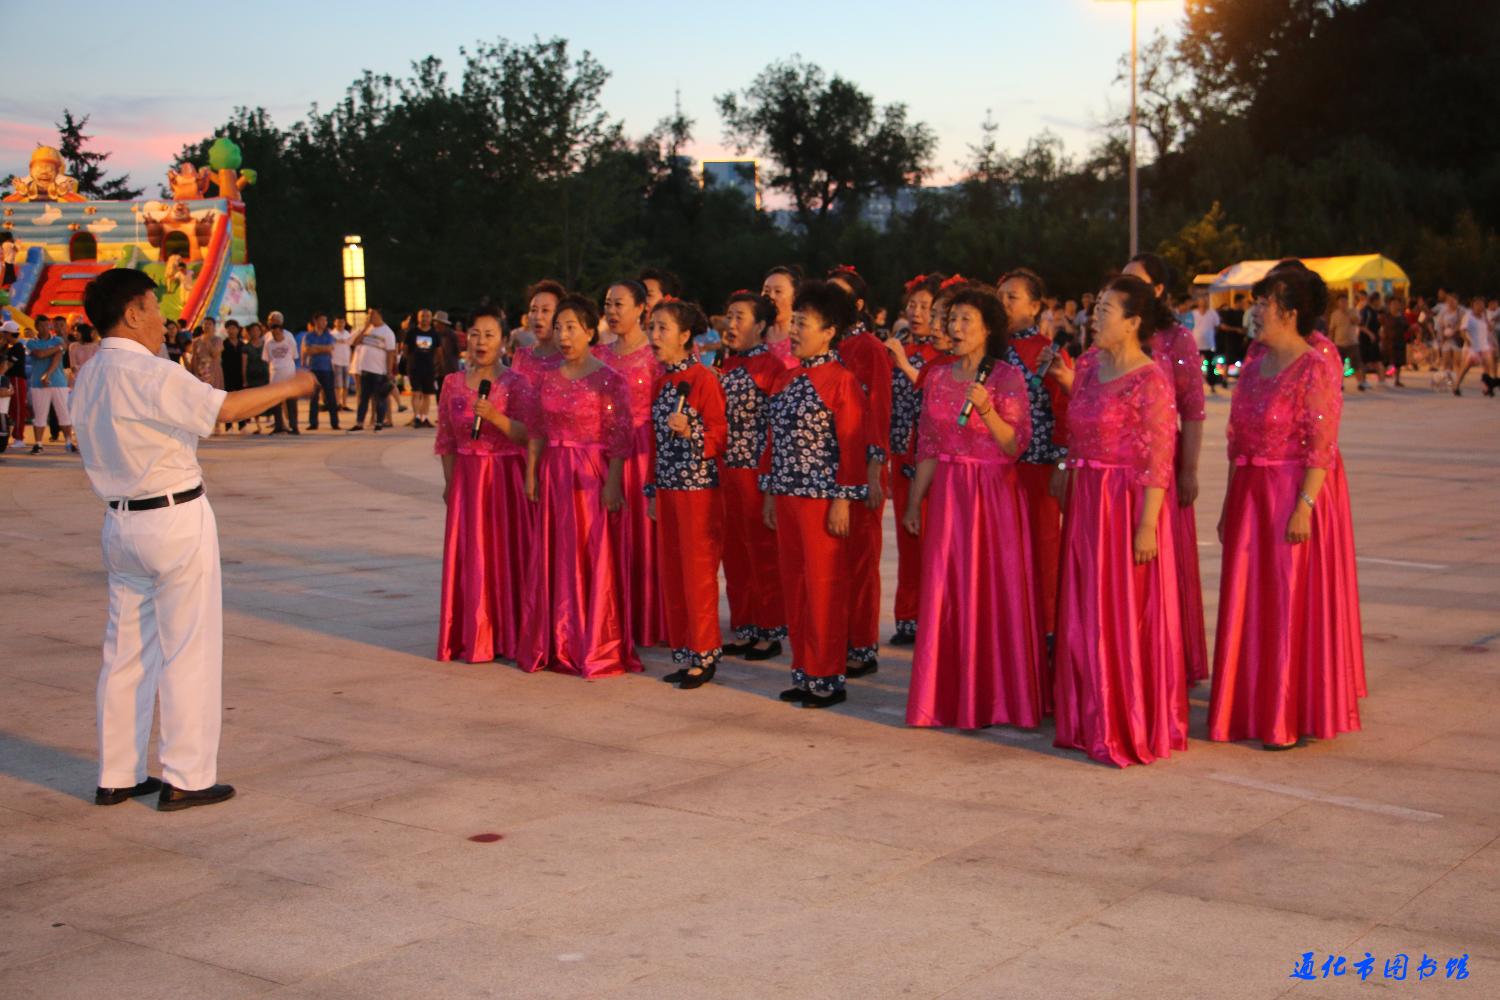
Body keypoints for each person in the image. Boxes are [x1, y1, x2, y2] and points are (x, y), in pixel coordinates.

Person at [72, 268, 314, 811]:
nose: (162, 319)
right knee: (188, 648)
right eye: (154, 307)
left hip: (120, 522)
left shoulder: (88, 375)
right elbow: (222, 409)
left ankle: (117, 774)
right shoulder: (150, 371)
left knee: (124, 652)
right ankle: (187, 775)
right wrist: (292, 386)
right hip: (173, 518)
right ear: (131, 313)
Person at [1208, 262, 1365, 750]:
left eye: (1264, 303)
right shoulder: (1254, 362)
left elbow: (1321, 446)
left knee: (1285, 601)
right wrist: (1229, 500)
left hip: (1287, 492)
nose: (1255, 312)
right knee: (1247, 602)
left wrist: (1305, 506)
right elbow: (1236, 441)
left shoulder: (1315, 366)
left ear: (1290, 313)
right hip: (1250, 492)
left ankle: (1283, 714)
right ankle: (1244, 706)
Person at [1053, 273, 1186, 768]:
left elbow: (1158, 459)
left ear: (1132, 323)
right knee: (1085, 610)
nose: (1095, 316)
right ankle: (1087, 716)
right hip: (1087, 499)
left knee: (1123, 613)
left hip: (1125, 505)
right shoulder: (1088, 366)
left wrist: (1147, 524)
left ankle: (1125, 720)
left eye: (1105, 310)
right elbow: (1078, 431)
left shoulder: (1151, 379)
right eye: (1096, 307)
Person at [902, 285, 1043, 730]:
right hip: (949, 494)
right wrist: (914, 501)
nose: (956, 327)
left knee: (993, 592)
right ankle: (944, 696)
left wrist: (987, 410)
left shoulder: (1006, 377)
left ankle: (997, 697)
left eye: (966, 320)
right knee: (948, 592)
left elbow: (1015, 445)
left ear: (987, 330)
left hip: (993, 495)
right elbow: (929, 445)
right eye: (953, 319)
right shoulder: (938, 376)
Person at [519, 293, 641, 678]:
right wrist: (532, 472)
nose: (564, 335)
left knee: (590, 555)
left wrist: (614, 484)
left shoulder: (609, 379)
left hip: (590, 475)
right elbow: (536, 430)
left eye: (571, 327)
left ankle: (594, 641)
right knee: (555, 556)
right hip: (554, 473)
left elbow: (620, 438)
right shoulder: (546, 378)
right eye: (559, 328)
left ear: (590, 331)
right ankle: (556, 641)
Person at [761, 279, 869, 709]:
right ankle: (804, 672)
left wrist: (843, 499)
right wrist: (770, 493)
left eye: (803, 323)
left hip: (822, 502)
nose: (794, 330)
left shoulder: (841, 381)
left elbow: (852, 445)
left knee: (825, 588)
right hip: (787, 498)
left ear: (829, 331)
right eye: (795, 322)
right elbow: (772, 441)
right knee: (796, 585)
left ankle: (827, 677)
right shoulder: (787, 378)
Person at [1125, 253, 1210, 687]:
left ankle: (1167, 658)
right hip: (1117, 469)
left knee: (1162, 559)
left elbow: (1192, 410)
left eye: (1135, 281)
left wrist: (1188, 470)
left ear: (1157, 290)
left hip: (1160, 464)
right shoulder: (1114, 335)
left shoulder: (1176, 340)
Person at [434, 306, 532, 663]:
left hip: (505, 478)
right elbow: (446, 439)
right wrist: (450, 483)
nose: (481, 342)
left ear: (504, 341)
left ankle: (509, 633)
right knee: (472, 557)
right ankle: (473, 634)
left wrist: (495, 417)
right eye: (475, 334)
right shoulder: (452, 383)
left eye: (489, 335)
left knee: (506, 555)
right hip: (467, 480)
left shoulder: (516, 383)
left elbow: (527, 435)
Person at [645, 299, 728, 688]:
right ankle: (685, 651)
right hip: (668, 490)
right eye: (652, 327)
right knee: (674, 573)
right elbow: (654, 442)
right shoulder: (661, 383)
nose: (655, 335)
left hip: (698, 492)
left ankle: (705, 653)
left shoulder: (704, 379)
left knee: (698, 574)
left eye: (663, 328)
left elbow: (720, 435)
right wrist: (652, 489)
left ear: (683, 336)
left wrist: (691, 431)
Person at [716, 290, 794, 661]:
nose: (731, 325)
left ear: (761, 325)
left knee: (761, 552)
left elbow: (779, 428)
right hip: (725, 471)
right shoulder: (724, 364)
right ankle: (744, 626)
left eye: (740, 318)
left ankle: (770, 628)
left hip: (755, 472)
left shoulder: (772, 367)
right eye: (728, 316)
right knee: (733, 552)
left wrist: (771, 482)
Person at [998, 268, 1074, 646]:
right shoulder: (989, 349)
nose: (1003, 304)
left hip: (1038, 470)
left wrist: (1060, 463)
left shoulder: (1048, 353)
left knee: (1042, 551)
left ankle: (1045, 632)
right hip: (996, 471)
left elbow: (1065, 410)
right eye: (1000, 297)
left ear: (1034, 306)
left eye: (1012, 298)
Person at [594, 279, 666, 648]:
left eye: (619, 304)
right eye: (608, 303)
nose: (611, 310)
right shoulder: (597, 355)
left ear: (641, 309)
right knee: (607, 535)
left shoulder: (655, 356)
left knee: (644, 535)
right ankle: (610, 615)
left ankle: (648, 619)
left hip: (643, 452)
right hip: (603, 453)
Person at [827, 266, 891, 678]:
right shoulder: (826, 345)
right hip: (828, 468)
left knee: (861, 561)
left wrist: (873, 470)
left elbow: (880, 410)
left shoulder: (870, 348)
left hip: (862, 467)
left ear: (860, 304)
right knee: (832, 562)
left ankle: (862, 645)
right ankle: (835, 640)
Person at [882, 273, 947, 646]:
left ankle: (934, 617)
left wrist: (905, 363)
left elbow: (931, 392)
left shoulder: (945, 355)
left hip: (933, 459)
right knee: (907, 542)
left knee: (931, 543)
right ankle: (907, 617)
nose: (918, 313)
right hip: (902, 453)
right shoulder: (900, 346)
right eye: (913, 305)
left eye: (926, 307)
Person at [26, 318, 76, 454]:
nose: (45, 328)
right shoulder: (31, 342)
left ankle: (69, 442)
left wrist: (47, 374)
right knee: (40, 415)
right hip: (38, 383)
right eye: (41, 326)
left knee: (64, 413)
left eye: (47, 325)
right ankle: (38, 444)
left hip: (58, 381)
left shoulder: (57, 340)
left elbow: (58, 356)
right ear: (36, 327)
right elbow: (39, 354)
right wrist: (58, 348)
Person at [349, 308, 397, 432]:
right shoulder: (367, 329)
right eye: (369, 315)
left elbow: (390, 353)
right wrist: (365, 328)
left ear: (379, 315)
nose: (370, 317)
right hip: (364, 369)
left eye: (373, 315)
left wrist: (389, 371)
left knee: (379, 398)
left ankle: (379, 423)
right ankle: (359, 423)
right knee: (363, 398)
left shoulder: (387, 332)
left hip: (379, 371)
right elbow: (355, 342)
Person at [511, 280, 565, 383]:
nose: (538, 317)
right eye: (533, 310)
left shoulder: (570, 358)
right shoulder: (521, 356)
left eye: (545, 310)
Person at [261, 316, 302, 435]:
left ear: (282, 331)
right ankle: (279, 425)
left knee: (291, 401)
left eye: (278, 332)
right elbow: (267, 358)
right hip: (275, 374)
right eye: (273, 333)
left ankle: (294, 426)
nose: (276, 335)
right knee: (276, 401)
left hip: (289, 373)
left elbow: (294, 355)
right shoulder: (269, 342)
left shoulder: (289, 339)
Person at [301, 312, 340, 430]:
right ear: (316, 321)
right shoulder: (309, 336)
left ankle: (334, 422)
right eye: (322, 320)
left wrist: (316, 347)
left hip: (327, 369)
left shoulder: (329, 335)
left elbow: (330, 348)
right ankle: (313, 423)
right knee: (314, 397)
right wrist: (322, 348)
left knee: (330, 396)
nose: (324, 323)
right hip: (314, 369)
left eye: (325, 320)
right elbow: (308, 350)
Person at [404, 309, 440, 427]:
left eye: (427, 316)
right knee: (416, 392)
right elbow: (405, 349)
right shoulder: (412, 332)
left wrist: (436, 365)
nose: (425, 318)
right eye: (422, 316)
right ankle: (416, 417)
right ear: (418, 318)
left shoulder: (434, 334)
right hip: (414, 367)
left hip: (429, 368)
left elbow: (438, 351)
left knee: (426, 394)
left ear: (431, 318)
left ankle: (424, 417)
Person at [1456, 295, 1495, 397]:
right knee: (1466, 367)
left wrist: (1486, 317)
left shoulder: (1484, 316)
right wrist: (1467, 340)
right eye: (1478, 304)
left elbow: (1490, 329)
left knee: (1487, 367)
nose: (1480, 306)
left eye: (1482, 304)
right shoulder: (1468, 316)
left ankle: (1488, 388)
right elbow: (1462, 331)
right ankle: (1456, 385)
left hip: (1484, 346)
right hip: (1473, 347)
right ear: (1473, 305)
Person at [760, 265, 799, 364]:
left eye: (778, 291)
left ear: (794, 297)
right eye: (766, 291)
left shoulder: (801, 337)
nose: (771, 296)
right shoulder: (755, 334)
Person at [242, 322, 271, 434]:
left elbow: (270, 360)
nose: (255, 332)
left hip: (265, 375)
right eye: (253, 330)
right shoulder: (246, 347)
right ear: (249, 332)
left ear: (260, 332)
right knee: (255, 401)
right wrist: (244, 379)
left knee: (267, 399)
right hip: (252, 376)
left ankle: (272, 420)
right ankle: (258, 425)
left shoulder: (266, 345)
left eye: (257, 330)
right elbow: (244, 364)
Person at [1191, 295, 1222, 393]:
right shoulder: (1193, 313)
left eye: (1205, 301)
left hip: (1209, 344)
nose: (1204, 303)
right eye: (1202, 301)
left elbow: (1217, 326)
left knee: (1211, 365)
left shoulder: (1212, 313)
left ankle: (1212, 384)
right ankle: (1194, 385)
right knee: (1195, 365)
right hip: (1196, 344)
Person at [1356, 291, 1385, 390]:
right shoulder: (1366, 311)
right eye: (1379, 300)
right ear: (1375, 300)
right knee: (1364, 361)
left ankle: (1381, 381)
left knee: (1377, 360)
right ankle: (1363, 381)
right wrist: (1370, 334)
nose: (1380, 302)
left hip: (1374, 339)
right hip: (1365, 339)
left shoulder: (1376, 311)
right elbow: (1361, 325)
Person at [1379, 296, 1409, 388]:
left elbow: (1406, 328)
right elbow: (1380, 327)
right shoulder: (1385, 316)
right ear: (1389, 305)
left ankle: (1397, 380)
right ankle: (1382, 380)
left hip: (1399, 341)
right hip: (1387, 342)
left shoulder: (1402, 317)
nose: (1395, 306)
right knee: (1385, 362)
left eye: (1397, 304)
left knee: (1398, 363)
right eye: (1393, 304)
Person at [330, 317, 353, 410]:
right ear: (335, 323)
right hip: (336, 361)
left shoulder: (347, 334)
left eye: (342, 322)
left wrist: (351, 360)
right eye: (338, 322)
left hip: (346, 361)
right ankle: (337, 403)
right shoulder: (332, 334)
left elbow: (350, 347)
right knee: (338, 385)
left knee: (346, 385)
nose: (340, 324)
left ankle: (344, 404)